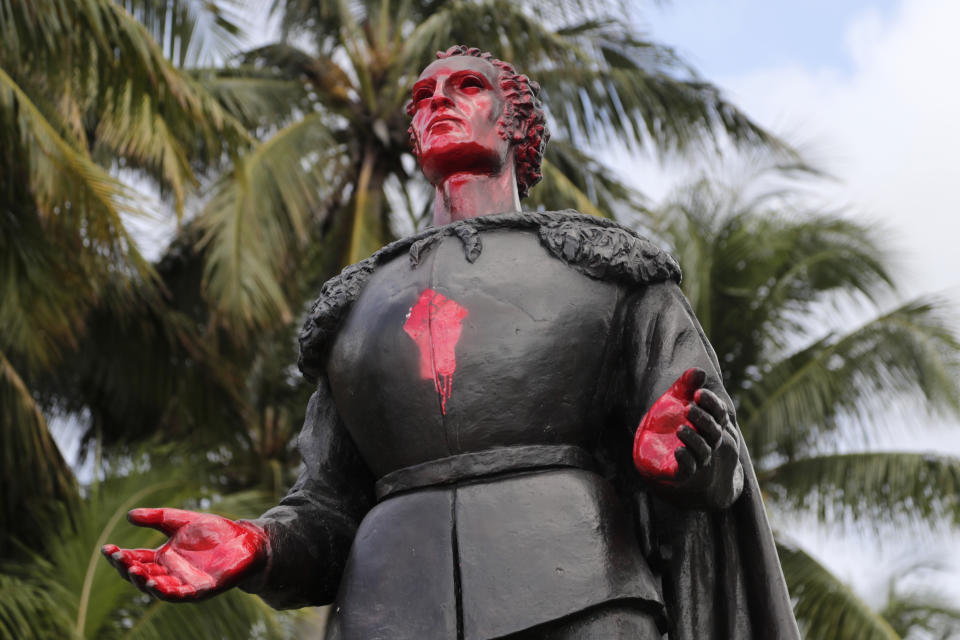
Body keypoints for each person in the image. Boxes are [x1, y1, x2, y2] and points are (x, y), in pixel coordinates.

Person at [103, 45, 800, 639]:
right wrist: (261, 545)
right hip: (390, 611)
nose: (439, 100)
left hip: (580, 596)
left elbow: (712, 453)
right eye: (423, 95)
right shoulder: (354, 308)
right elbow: (329, 503)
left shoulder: (607, 270)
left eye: (468, 87)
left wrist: (687, 458)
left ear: (514, 120)